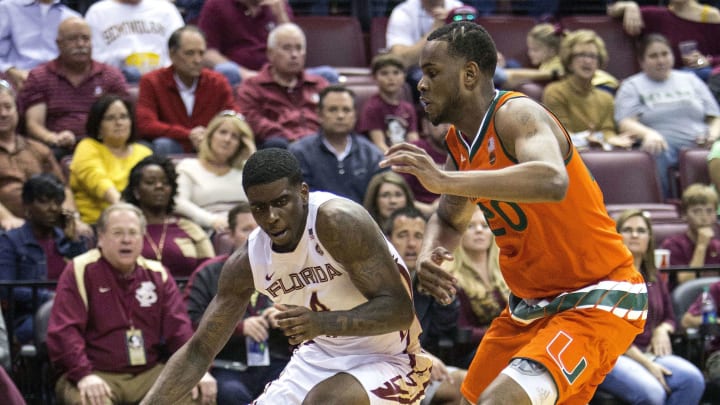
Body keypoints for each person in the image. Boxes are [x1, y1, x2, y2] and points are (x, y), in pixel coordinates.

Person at [380, 21, 648, 405]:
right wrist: (428, 254)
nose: (420, 84)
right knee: (467, 399)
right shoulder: (460, 141)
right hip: (530, 307)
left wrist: (445, 180)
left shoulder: (517, 113)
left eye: (432, 73)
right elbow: (448, 217)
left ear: (469, 74)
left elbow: (551, 180)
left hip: (595, 297)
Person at [140, 148, 432, 404]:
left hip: (391, 358)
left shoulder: (338, 221)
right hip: (318, 357)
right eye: (259, 208)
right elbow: (199, 350)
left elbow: (400, 311)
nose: (271, 217)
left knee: (327, 402)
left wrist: (320, 323)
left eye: (280, 202)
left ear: (303, 192)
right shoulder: (249, 261)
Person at [46, 203, 216, 404]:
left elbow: (179, 331)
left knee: (195, 394)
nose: (126, 240)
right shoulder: (80, 269)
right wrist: (83, 375)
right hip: (97, 373)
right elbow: (65, 331)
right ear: (100, 237)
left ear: (142, 238)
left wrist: (197, 371)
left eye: (133, 233)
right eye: (117, 233)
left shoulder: (157, 273)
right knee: (91, 401)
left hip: (149, 373)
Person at [184, 202, 292, 405]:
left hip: (276, 362)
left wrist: (285, 319)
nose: (256, 236)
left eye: (261, 229)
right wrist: (238, 328)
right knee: (232, 394)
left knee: (291, 391)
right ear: (229, 235)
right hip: (227, 365)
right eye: (246, 230)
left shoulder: (287, 270)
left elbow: (311, 318)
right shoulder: (208, 273)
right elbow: (189, 323)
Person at [597, 209, 706, 405]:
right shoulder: (607, 278)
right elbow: (609, 336)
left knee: (693, 380)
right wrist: (647, 365)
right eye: (628, 230)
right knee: (654, 394)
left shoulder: (653, 277)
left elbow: (670, 318)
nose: (635, 235)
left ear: (649, 238)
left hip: (650, 353)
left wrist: (662, 330)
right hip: (614, 356)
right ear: (617, 236)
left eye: (641, 230)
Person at [614, 33, 720, 198]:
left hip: (701, 143)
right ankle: (663, 203)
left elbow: (716, 118)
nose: (661, 60)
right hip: (663, 147)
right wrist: (649, 134)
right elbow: (626, 122)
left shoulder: (690, 79)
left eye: (665, 54)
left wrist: (713, 135)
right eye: (653, 56)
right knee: (655, 151)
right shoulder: (631, 85)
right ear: (641, 61)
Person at [384, 206, 466, 405]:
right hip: (386, 365)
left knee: (471, 385)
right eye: (403, 235)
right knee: (464, 386)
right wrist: (419, 356)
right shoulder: (377, 281)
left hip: (422, 368)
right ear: (387, 240)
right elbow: (376, 337)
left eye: (419, 236)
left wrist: (442, 289)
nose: (411, 244)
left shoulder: (423, 281)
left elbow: (444, 329)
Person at [17, 16, 129, 159]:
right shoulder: (40, 76)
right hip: (57, 147)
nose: (80, 44)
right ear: (59, 44)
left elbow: (126, 119)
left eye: (85, 38)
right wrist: (54, 138)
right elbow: (34, 124)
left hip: (103, 145)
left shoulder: (110, 75)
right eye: (73, 39)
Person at [0, 173, 89, 344]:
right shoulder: (10, 241)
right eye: (44, 201)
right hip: (28, 316)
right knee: (56, 326)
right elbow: (6, 288)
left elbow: (88, 277)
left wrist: (75, 241)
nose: (53, 208)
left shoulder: (67, 239)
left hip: (72, 311)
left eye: (57, 202)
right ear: (27, 205)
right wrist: (48, 297)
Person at [136, 25, 236, 155]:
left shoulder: (217, 82)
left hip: (212, 146)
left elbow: (234, 118)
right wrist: (188, 134)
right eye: (190, 53)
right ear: (172, 54)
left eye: (201, 53)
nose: (197, 60)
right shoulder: (151, 81)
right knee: (164, 144)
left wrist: (211, 136)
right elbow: (146, 125)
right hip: (174, 146)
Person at [0, 81, 86, 233]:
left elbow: (63, 188)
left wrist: (72, 218)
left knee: (81, 234)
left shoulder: (38, 149)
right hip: (8, 228)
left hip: (48, 225)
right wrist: (6, 218)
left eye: (8, 107)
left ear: (17, 110)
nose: (3, 113)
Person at [235, 22, 328, 149]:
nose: (294, 55)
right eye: (287, 48)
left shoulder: (319, 84)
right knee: (275, 144)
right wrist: (289, 138)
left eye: (299, 48)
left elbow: (332, 116)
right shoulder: (252, 87)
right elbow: (252, 120)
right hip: (281, 148)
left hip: (319, 147)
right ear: (270, 54)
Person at [288, 85, 386, 204]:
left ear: (355, 115)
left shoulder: (372, 155)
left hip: (363, 220)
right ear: (319, 115)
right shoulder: (299, 153)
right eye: (333, 110)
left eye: (346, 110)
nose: (340, 116)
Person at [122, 155, 215, 278]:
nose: (159, 186)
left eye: (166, 183)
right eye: (150, 182)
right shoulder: (126, 229)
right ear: (136, 192)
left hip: (187, 294)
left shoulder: (190, 228)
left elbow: (210, 273)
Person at [542, 29, 633, 151]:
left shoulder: (606, 97)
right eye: (581, 55)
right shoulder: (555, 92)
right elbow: (561, 135)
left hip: (600, 156)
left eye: (592, 56)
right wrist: (588, 139)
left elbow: (607, 130)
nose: (588, 61)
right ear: (569, 61)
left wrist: (612, 139)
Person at [69, 94, 152, 224]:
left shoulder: (144, 152)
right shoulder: (87, 147)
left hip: (138, 223)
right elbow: (98, 180)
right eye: (110, 118)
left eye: (124, 117)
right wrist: (123, 209)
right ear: (98, 126)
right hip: (98, 223)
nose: (119, 123)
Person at [442, 207, 508, 370]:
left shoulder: (507, 270)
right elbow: (462, 330)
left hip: (507, 343)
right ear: (459, 235)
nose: (479, 231)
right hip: (473, 352)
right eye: (471, 226)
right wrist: (503, 335)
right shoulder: (451, 276)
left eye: (485, 226)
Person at [174, 110, 256, 232]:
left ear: (240, 144)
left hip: (248, 228)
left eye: (235, 136)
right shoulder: (188, 167)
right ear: (210, 135)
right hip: (208, 228)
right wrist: (212, 220)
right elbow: (178, 202)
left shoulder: (246, 168)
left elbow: (265, 197)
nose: (227, 139)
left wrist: (252, 155)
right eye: (223, 132)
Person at [608, 0, 720, 80]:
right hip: (666, 82)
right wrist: (630, 5)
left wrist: (706, 61)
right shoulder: (656, 16)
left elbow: (714, 59)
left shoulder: (711, 16)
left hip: (706, 80)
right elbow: (612, 9)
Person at [84, 0, 185, 84]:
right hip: (116, 85)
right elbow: (92, 58)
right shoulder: (97, 12)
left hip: (162, 82)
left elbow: (182, 49)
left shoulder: (166, 9)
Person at [198, 0, 292, 86]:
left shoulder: (278, 4)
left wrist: (281, 15)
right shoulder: (216, 5)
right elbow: (208, 53)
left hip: (278, 76)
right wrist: (244, 74)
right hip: (238, 78)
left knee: (306, 75)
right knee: (227, 70)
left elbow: (293, 48)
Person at [386, 0, 463, 99]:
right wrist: (436, 30)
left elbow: (469, 51)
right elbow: (400, 60)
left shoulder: (458, 9)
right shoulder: (403, 12)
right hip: (418, 70)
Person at [0, 0, 80, 91]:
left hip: (58, 84)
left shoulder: (73, 18)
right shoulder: (6, 8)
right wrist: (9, 70)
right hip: (15, 81)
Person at [660, 183, 720, 289]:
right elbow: (686, 282)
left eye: (709, 211)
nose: (704, 217)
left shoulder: (718, 246)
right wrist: (701, 246)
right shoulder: (673, 245)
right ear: (684, 214)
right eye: (697, 211)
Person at [357, 54, 419, 153]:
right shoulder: (372, 107)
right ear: (374, 77)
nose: (391, 78)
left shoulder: (408, 108)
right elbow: (379, 144)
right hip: (384, 159)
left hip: (406, 158)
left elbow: (414, 140)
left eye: (396, 73)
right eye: (384, 73)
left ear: (404, 76)